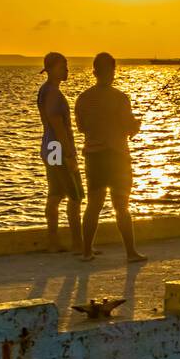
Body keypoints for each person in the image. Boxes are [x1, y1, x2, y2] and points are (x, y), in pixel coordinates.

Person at [74, 52, 146, 263]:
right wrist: (136, 126)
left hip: (94, 157)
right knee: (121, 206)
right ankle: (131, 253)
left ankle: (87, 252)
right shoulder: (120, 98)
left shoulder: (83, 99)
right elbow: (128, 127)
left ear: (94, 72)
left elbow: (81, 127)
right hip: (117, 157)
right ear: (113, 71)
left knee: (93, 206)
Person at [36, 51, 84, 253]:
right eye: (63, 66)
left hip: (49, 147)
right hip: (56, 148)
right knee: (75, 195)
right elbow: (58, 125)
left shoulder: (46, 90)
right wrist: (70, 155)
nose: (67, 69)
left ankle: (53, 241)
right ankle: (78, 244)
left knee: (55, 194)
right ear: (53, 69)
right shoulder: (53, 93)